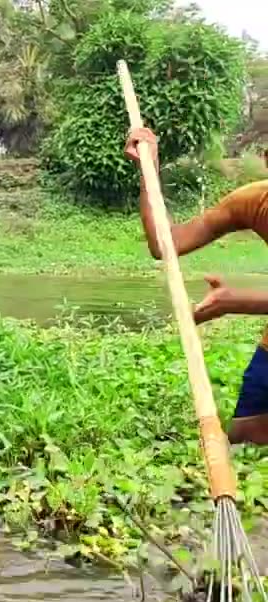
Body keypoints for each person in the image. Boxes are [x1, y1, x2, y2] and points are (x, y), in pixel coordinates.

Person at [125, 127, 268, 444]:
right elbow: (166, 243)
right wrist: (150, 170)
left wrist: (237, 301)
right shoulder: (255, 200)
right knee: (246, 438)